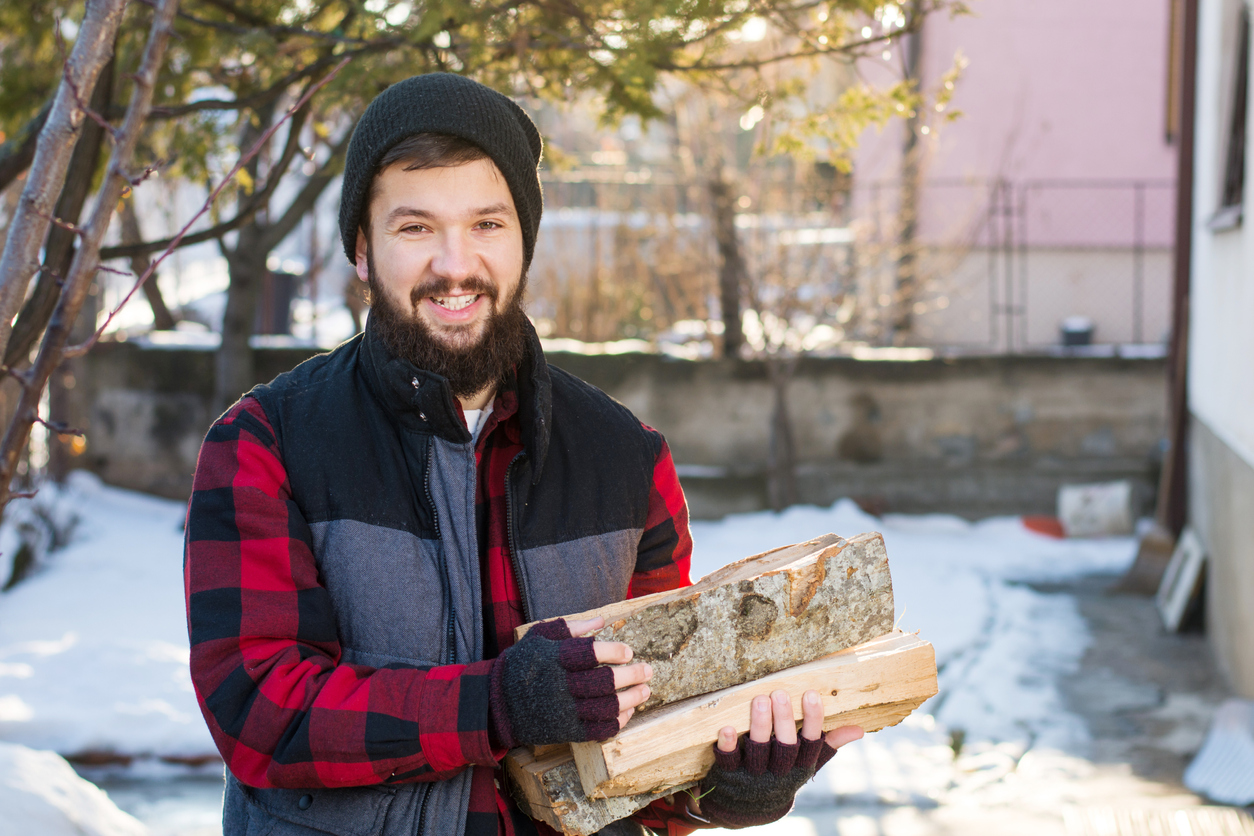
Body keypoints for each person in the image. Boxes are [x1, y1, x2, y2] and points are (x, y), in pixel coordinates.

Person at [184, 72, 861, 836]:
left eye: (487, 224)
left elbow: (653, 737)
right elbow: (259, 712)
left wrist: (733, 785)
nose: (455, 263)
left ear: (523, 241)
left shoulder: (625, 459)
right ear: (363, 250)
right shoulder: (267, 444)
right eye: (415, 228)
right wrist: (494, 704)